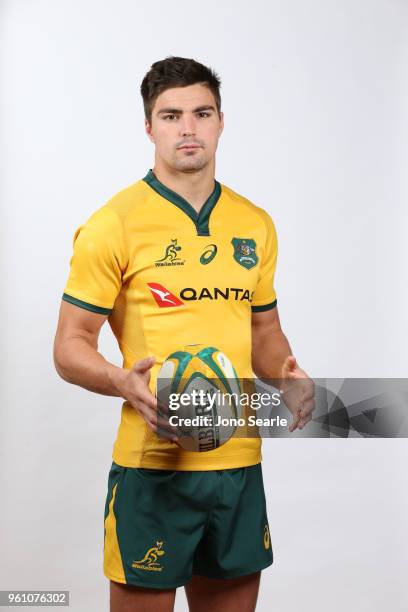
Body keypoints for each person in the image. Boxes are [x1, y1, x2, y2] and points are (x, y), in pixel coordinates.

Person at [53, 56, 315, 612]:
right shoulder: (113, 224)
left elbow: (265, 331)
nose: (188, 128)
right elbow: (70, 345)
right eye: (171, 115)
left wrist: (287, 373)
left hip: (238, 461)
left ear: (221, 121)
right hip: (155, 467)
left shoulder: (255, 223)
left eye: (201, 113)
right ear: (149, 127)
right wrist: (121, 380)